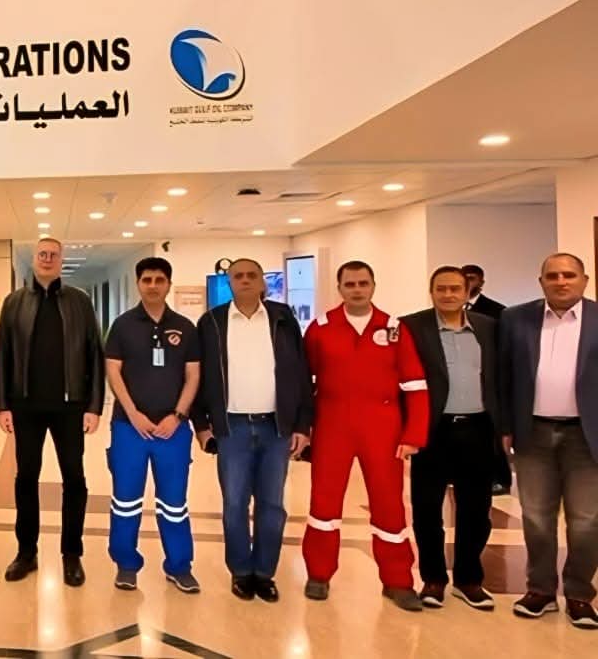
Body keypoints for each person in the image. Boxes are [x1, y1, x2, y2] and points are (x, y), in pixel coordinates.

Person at [301, 260, 429, 611]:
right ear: (339, 288)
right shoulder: (320, 329)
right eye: (350, 284)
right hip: (332, 424)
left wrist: (413, 434)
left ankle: (398, 580)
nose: (357, 290)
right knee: (324, 502)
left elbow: (415, 385)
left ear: (373, 286)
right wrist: (304, 429)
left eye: (363, 283)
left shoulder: (394, 329)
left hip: (382, 427)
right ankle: (318, 574)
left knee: (389, 503)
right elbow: (304, 383)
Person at [193, 258, 313, 603]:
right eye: (238, 276)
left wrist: (302, 424)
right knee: (234, 503)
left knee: (272, 504)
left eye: (251, 275)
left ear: (262, 282)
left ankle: (264, 573)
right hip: (232, 427)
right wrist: (201, 425)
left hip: (276, 426)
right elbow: (198, 376)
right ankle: (241, 571)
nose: (245, 280)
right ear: (229, 283)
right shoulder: (211, 322)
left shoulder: (283, 318)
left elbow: (301, 374)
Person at [0, 237, 104, 587]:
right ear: (34, 258)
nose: (47, 258)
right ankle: (26, 553)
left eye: (53, 254)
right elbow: (2, 355)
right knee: (26, 479)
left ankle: (72, 554)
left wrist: (94, 406)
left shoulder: (79, 302)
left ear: (61, 260)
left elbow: (95, 354)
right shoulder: (14, 302)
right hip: (25, 406)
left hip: (70, 408)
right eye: (42, 253)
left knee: (74, 479)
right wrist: (2, 404)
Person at [499, 253, 598, 629]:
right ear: (541, 281)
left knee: (586, 519)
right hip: (533, 433)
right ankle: (540, 589)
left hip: (588, 435)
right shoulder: (515, 319)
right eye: (553, 276)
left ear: (584, 280)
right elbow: (503, 376)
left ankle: (579, 594)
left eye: (569, 275)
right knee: (537, 517)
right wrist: (505, 425)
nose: (561, 281)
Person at [400, 267, 500, 611]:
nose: (448, 294)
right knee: (427, 509)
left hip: (478, 429)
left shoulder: (488, 327)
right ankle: (433, 579)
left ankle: (469, 579)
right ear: (431, 292)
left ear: (467, 290)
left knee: (476, 509)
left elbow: (498, 377)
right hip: (433, 431)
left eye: (455, 288)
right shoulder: (412, 327)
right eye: (441, 289)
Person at [104, 257, 201, 592]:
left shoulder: (185, 328)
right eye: (147, 280)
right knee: (125, 500)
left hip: (172, 431)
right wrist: (133, 414)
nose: (153, 285)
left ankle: (179, 565)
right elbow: (113, 370)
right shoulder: (122, 325)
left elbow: (193, 375)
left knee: (174, 503)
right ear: (138, 284)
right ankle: (126, 564)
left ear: (169, 284)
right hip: (129, 428)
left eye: (160, 280)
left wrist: (178, 415)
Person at [462, 264, 512, 496]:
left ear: (481, 282)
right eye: (464, 277)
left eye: (472, 278)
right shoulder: (451, 308)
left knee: (493, 432)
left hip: (490, 377)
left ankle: (500, 479)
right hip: (465, 378)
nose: (468, 282)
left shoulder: (498, 311)